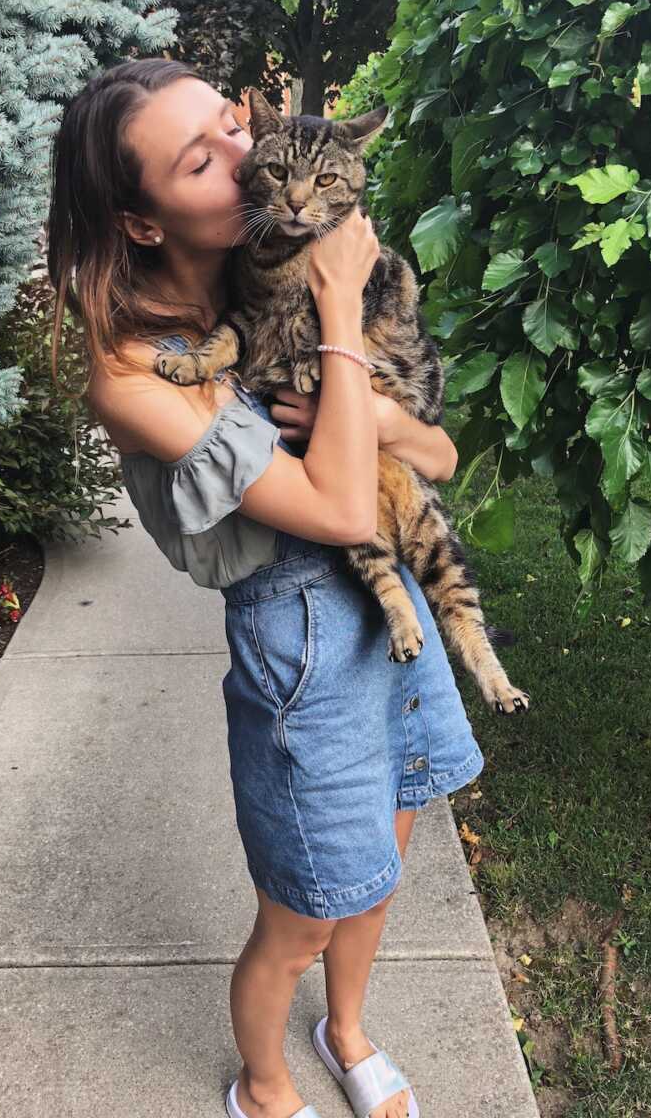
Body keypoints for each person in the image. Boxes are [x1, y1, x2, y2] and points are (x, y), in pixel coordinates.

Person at [46, 57, 484, 1118]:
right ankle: (265, 1081)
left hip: (395, 612)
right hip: (300, 636)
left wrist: (382, 415)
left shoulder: (270, 260)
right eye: (201, 159)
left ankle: (346, 1031)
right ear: (142, 222)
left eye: (231, 127)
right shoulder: (141, 372)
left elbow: (439, 456)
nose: (249, 159)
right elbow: (334, 511)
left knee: (389, 849)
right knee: (303, 912)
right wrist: (340, 310)